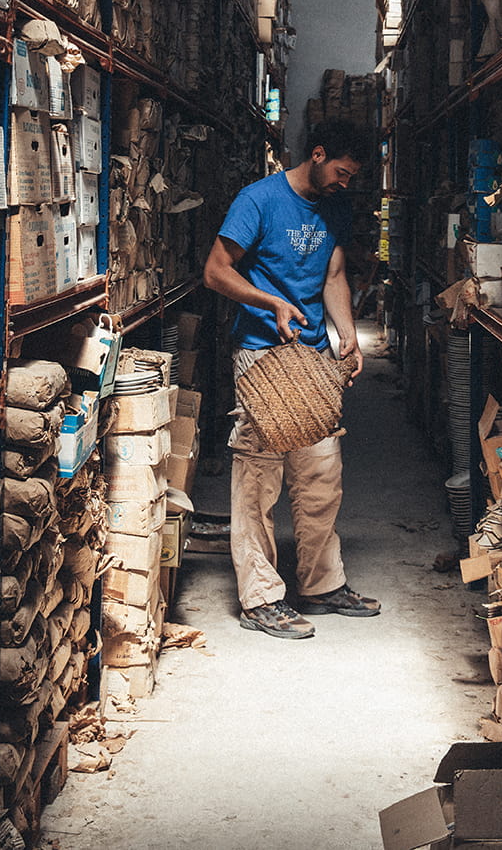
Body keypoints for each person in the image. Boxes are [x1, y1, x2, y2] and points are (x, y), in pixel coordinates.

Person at [202, 120, 381, 639]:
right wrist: (271, 301)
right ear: (318, 154)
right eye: (342, 172)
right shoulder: (257, 200)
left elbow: (332, 274)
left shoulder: (336, 205)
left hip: (313, 357)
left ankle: (321, 583)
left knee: (321, 472)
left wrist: (346, 333)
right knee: (259, 478)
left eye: (352, 177)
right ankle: (260, 598)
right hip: (262, 356)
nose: (345, 183)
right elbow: (215, 271)